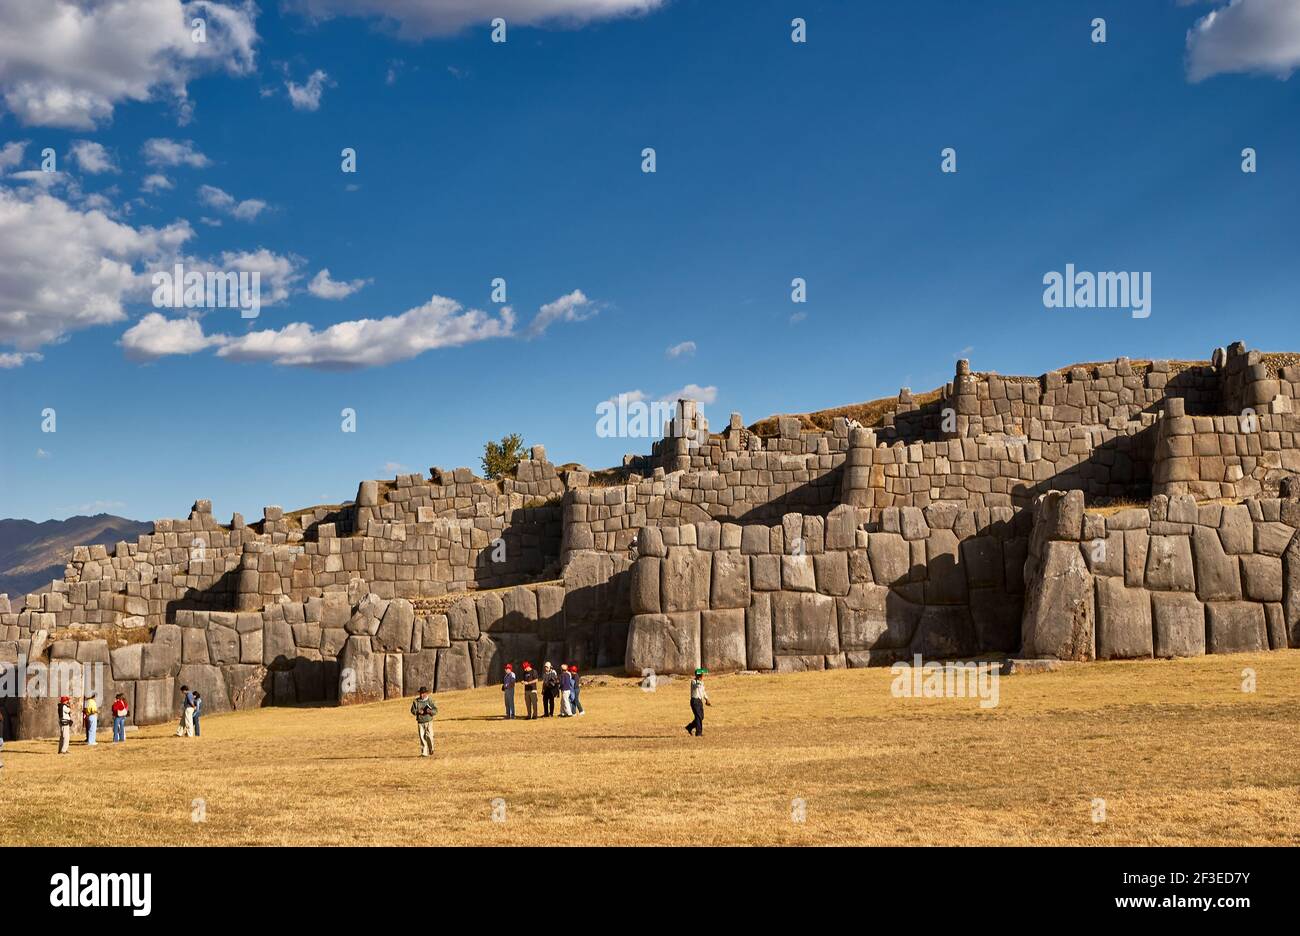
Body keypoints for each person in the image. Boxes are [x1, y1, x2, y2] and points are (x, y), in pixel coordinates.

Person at [410, 687, 437, 757]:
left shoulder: (430, 701)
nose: (422, 695)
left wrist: (430, 711)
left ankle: (431, 749)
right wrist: (417, 711)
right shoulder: (416, 701)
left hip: (428, 721)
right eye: (421, 693)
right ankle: (424, 753)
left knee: (429, 736)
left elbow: (435, 710)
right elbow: (412, 711)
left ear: (426, 693)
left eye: (423, 693)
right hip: (420, 722)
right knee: (422, 737)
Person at [685, 668, 711, 737]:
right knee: (698, 716)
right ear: (699, 675)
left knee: (701, 717)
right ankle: (699, 733)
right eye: (702, 675)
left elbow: (703, 691)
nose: (703, 676)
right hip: (694, 701)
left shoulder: (702, 682)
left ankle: (689, 727)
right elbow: (696, 686)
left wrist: (706, 699)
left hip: (699, 701)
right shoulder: (693, 681)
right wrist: (699, 680)